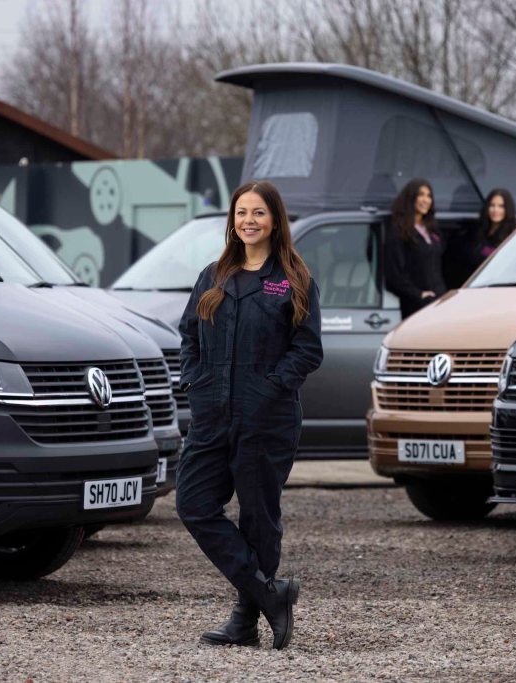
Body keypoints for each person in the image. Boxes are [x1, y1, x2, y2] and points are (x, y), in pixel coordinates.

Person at [174, 180, 323, 650]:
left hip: (267, 418)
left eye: (258, 212)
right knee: (193, 503)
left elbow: (308, 349)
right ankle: (269, 593)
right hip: (212, 414)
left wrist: (271, 388)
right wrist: (195, 383)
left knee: (259, 516)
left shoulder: (293, 279)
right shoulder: (213, 276)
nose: (248, 221)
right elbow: (189, 336)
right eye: (241, 212)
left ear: (275, 220)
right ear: (232, 220)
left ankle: (245, 620)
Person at [383, 179, 446, 318]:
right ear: (410, 198)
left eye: (429, 196)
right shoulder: (398, 231)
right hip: (415, 307)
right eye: (421, 195)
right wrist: (418, 294)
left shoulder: (432, 229)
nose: (426, 200)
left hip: (438, 303)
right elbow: (394, 275)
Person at [470, 188, 516, 269]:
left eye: (501, 206)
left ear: (508, 209)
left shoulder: (513, 234)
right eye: (492, 205)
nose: (495, 210)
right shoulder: (482, 230)